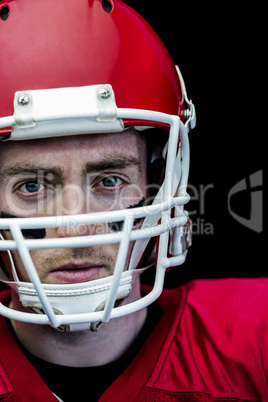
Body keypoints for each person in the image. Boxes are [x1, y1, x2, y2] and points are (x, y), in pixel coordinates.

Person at [0, 0, 267, 401]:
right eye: (32, 187)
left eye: (109, 180)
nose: (76, 228)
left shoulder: (254, 339)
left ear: (157, 183)